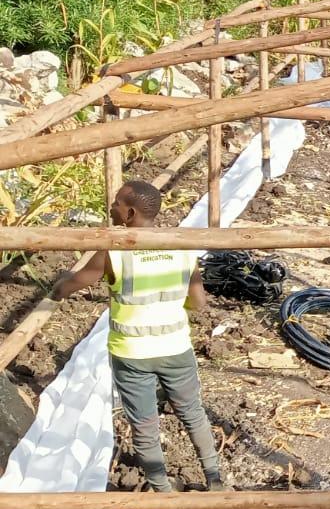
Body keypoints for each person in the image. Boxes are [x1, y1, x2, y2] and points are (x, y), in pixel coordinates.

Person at [51, 180, 228, 492]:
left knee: (145, 424)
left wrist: (57, 287)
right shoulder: (181, 247)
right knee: (192, 413)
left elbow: (72, 285)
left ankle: (162, 491)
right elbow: (199, 303)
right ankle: (215, 481)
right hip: (175, 348)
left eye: (117, 203)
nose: (111, 207)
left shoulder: (114, 252)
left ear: (129, 213)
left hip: (131, 355)